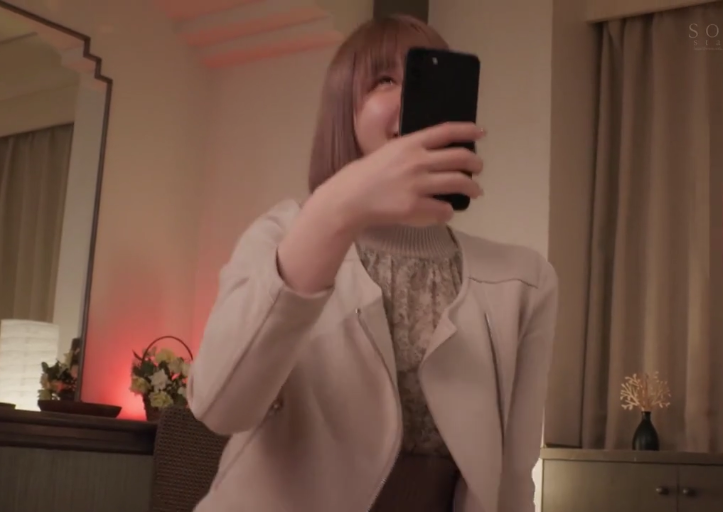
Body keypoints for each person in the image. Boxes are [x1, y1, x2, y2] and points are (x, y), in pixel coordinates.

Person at [188, 14, 558, 512]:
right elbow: (220, 407)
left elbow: (513, 481)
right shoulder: (284, 236)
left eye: (426, 78)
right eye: (384, 79)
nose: (410, 96)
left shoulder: (524, 282)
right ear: (346, 110)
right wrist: (334, 212)